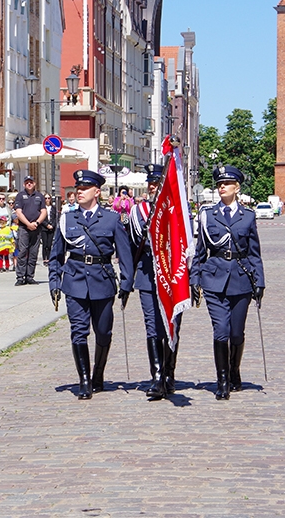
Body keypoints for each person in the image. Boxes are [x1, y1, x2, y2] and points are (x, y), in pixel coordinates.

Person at [48, 170, 133, 400]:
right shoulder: (67, 218)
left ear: (97, 192)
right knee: (78, 331)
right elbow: (56, 254)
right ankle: (84, 380)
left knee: (103, 332)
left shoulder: (111, 219)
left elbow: (125, 254)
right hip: (74, 280)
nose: (79, 192)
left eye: (85, 188)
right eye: (78, 188)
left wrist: (127, 282)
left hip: (102, 281)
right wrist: (54, 281)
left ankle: (98, 373)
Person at [189, 165, 265, 401]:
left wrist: (260, 281)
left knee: (236, 333)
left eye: (227, 183)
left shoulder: (248, 216)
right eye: (219, 183)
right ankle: (222, 381)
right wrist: (195, 278)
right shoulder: (207, 215)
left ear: (236, 187)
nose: (222, 187)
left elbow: (254, 253)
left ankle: (234, 370)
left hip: (241, 279)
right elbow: (200, 251)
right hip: (214, 278)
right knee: (220, 331)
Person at [127, 165, 182, 400]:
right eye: (150, 182)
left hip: (172, 277)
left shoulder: (176, 210)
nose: (152, 186)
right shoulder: (139, 212)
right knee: (152, 326)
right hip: (148, 276)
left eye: (157, 182)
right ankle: (157, 377)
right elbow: (133, 245)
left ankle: (169, 374)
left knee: (172, 325)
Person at [14, 175, 47, 286]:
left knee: (33, 253)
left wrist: (36, 223)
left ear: (34, 183)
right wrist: (28, 224)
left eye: (31, 182)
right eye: (27, 182)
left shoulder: (40, 196)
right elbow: (18, 212)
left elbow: (43, 212)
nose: (29, 184)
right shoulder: (20, 196)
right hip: (24, 228)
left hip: (36, 228)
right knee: (22, 252)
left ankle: (30, 276)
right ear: (24, 184)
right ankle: (20, 277)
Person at [40, 194, 56, 265]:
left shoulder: (53, 208)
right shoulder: (42, 208)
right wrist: (46, 225)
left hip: (51, 228)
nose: (47, 200)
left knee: (49, 245)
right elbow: (41, 218)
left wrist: (52, 225)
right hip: (44, 228)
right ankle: (45, 259)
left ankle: (49, 258)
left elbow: (55, 218)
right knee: (45, 244)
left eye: (48, 198)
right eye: (45, 198)